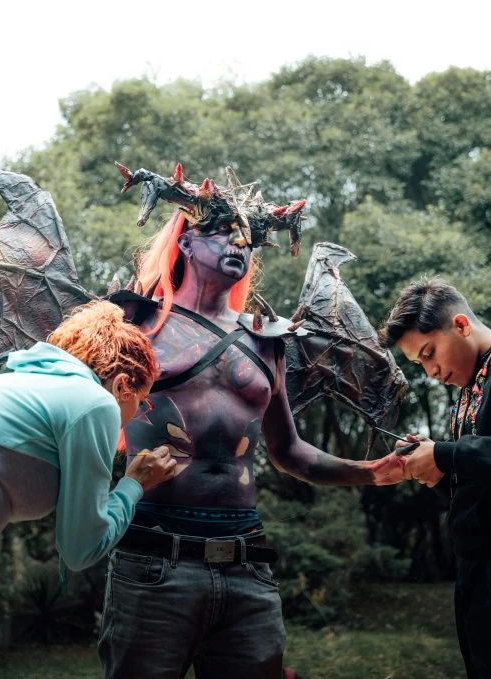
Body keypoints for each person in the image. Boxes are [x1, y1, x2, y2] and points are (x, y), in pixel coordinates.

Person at [98, 163, 404, 679]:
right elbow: (84, 421)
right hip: (153, 559)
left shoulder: (268, 340)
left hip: (247, 564)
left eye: (249, 236)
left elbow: (291, 453)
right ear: (186, 242)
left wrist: (372, 470)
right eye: (221, 230)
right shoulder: (134, 324)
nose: (238, 241)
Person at [0, 300, 176, 589]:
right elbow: (81, 549)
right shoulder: (96, 402)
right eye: (141, 403)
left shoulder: (29, 384)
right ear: (121, 385)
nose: (135, 416)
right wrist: (134, 484)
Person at [379, 278, 491, 679]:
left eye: (430, 354)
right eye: (420, 364)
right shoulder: (468, 389)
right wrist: (432, 468)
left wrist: (444, 453)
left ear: (461, 324)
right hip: (474, 574)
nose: (432, 371)